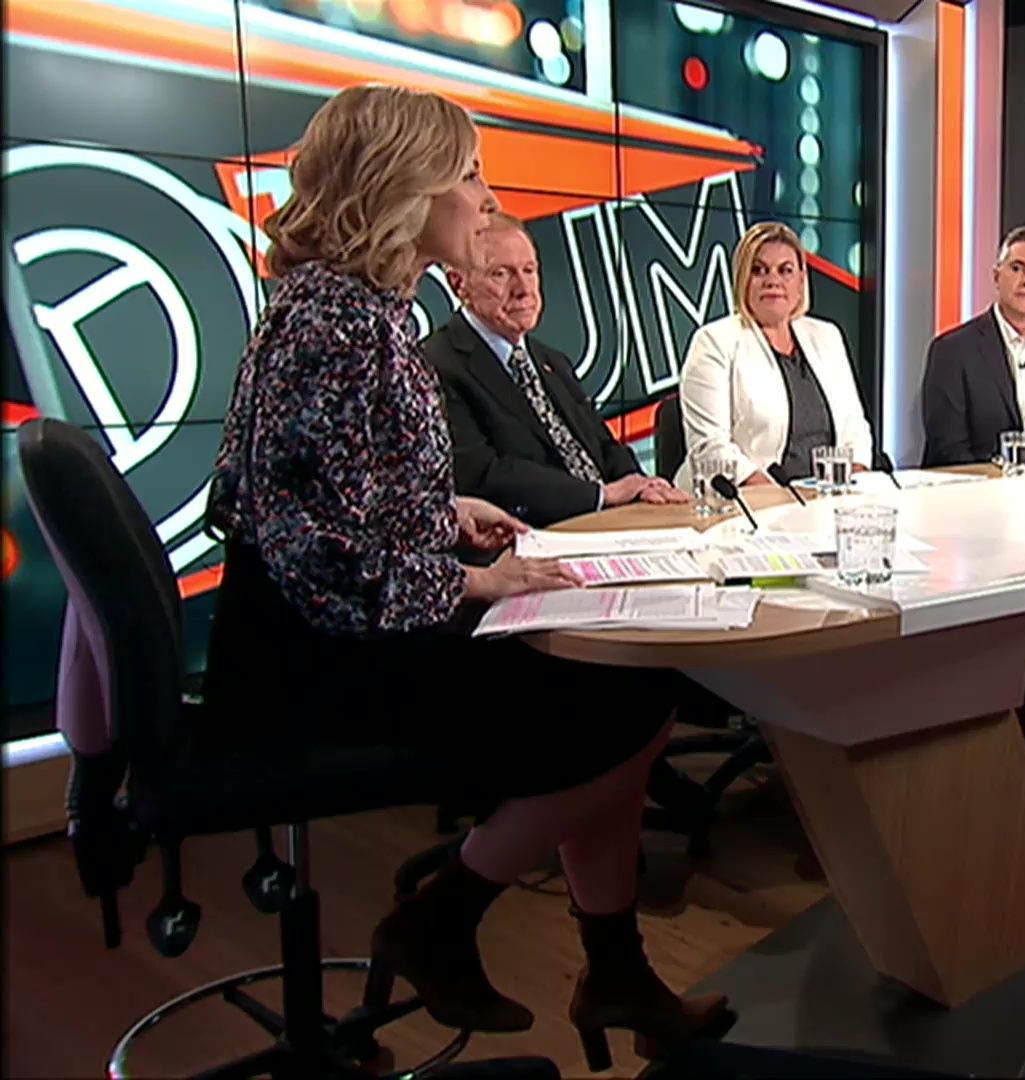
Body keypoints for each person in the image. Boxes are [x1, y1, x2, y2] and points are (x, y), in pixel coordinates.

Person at [199, 84, 730, 1054]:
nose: (486, 199)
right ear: (402, 186)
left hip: (341, 633)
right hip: (317, 664)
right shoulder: (335, 325)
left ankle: (613, 974)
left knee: (625, 696)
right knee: (625, 705)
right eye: (470, 175)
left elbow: (323, 497)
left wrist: (443, 514)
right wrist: (470, 581)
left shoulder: (354, 311)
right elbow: (300, 545)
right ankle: (446, 917)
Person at [426, 213, 686, 527]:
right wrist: (601, 495)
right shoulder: (437, 364)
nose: (523, 289)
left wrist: (641, 486)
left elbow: (603, 445)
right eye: (501, 274)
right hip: (532, 536)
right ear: (459, 285)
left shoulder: (551, 361)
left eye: (529, 270)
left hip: (611, 524)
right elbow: (482, 475)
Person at [674, 221, 873, 489]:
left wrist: (854, 484)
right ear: (742, 280)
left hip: (824, 498)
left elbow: (854, 428)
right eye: (759, 270)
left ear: (801, 281)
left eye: (785, 270)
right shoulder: (714, 342)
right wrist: (777, 497)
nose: (773, 281)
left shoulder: (827, 337)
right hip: (746, 500)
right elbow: (710, 447)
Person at [921, 225, 1025, 467]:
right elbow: (949, 450)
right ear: (996, 276)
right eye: (1017, 268)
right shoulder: (952, 352)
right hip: (975, 487)